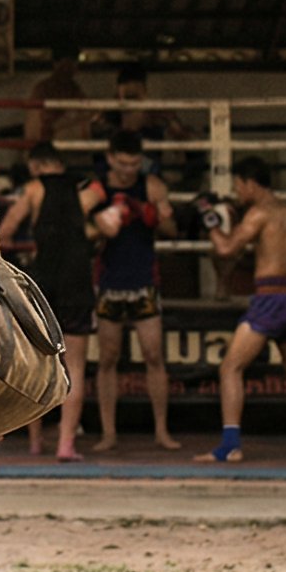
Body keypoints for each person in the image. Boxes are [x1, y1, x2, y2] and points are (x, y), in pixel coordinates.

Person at [196, 157, 286, 462]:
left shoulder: (259, 214)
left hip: (270, 299)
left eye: (238, 186)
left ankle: (230, 445)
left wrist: (208, 218)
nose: (237, 192)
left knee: (230, 368)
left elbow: (226, 249)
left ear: (251, 184)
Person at [83, 130, 182, 452]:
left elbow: (171, 230)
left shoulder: (151, 186)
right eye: (123, 163)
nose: (129, 169)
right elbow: (77, 230)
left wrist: (146, 213)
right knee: (108, 358)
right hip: (110, 281)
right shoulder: (96, 189)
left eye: (135, 163)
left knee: (154, 356)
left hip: (144, 281)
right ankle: (108, 433)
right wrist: (100, 225)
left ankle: (162, 431)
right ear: (111, 158)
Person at [0, 141, 94, 461]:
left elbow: (5, 231)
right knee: (75, 367)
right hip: (78, 281)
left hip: (44, 282)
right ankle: (67, 444)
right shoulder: (88, 190)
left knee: (39, 360)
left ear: (36, 165)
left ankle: (36, 441)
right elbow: (108, 225)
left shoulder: (35, 189)